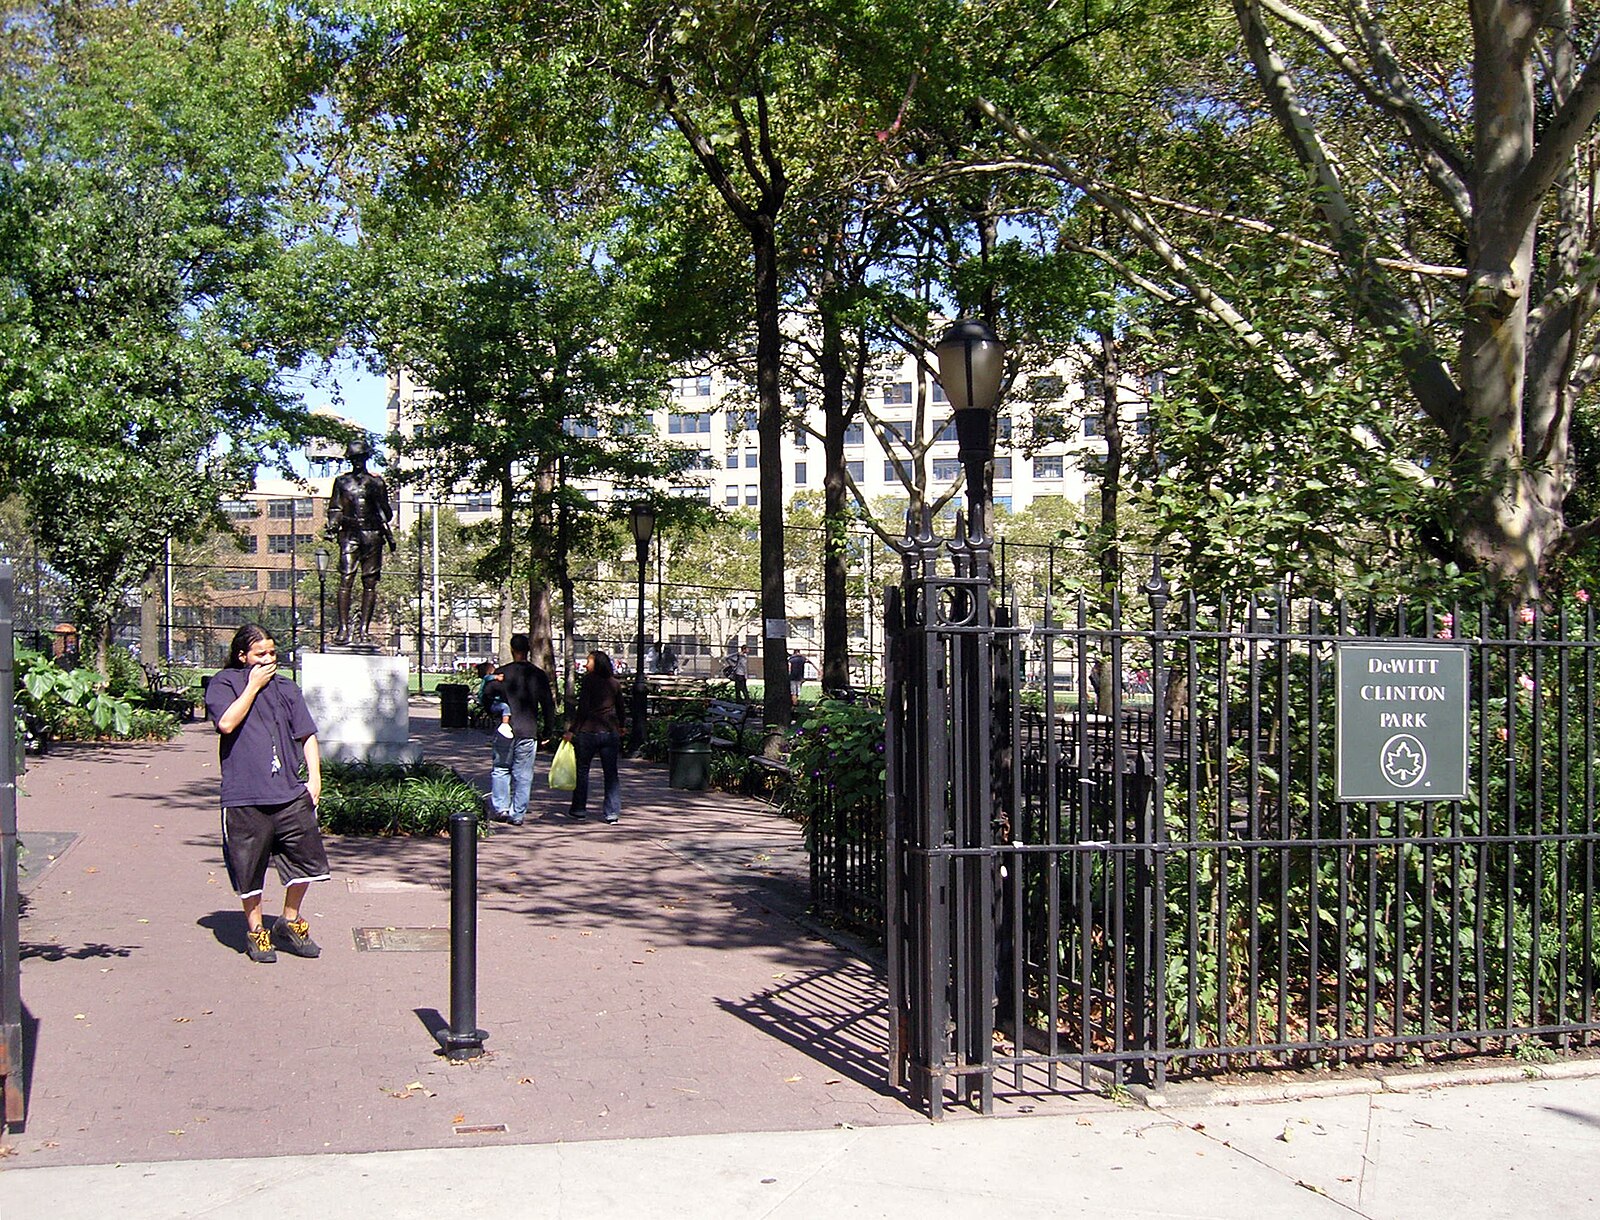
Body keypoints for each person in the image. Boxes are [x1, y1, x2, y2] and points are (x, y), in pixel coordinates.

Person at [205, 623, 330, 964]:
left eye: (273, 653)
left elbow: (307, 734)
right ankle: (256, 930)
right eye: (260, 654)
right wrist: (252, 687)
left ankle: (289, 920)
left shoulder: (287, 689)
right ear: (242, 656)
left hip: (288, 792)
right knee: (250, 868)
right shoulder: (224, 683)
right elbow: (227, 724)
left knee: (308, 862)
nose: (269, 660)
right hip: (245, 795)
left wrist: (314, 780)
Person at [480, 634, 558, 826]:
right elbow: (548, 705)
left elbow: (486, 694)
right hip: (528, 729)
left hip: (505, 728)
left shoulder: (502, 673)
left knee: (500, 768)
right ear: (528, 649)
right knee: (523, 774)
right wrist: (548, 730)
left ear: (512, 649)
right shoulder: (538, 675)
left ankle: (501, 808)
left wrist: (495, 711)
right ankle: (518, 813)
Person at [325, 436, 395, 645]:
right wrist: (332, 525)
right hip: (349, 535)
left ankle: (364, 630)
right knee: (346, 578)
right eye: (354, 458)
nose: (357, 462)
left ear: (366, 458)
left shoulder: (376, 482)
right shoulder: (341, 482)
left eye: (360, 457)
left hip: (372, 535)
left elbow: (387, 513)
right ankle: (343, 628)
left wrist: (379, 505)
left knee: (370, 582)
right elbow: (335, 508)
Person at [565, 650, 626, 824]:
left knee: (583, 770)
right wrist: (621, 726)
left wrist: (572, 730)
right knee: (611, 773)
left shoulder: (588, 682)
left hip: (589, 731)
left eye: (588, 661)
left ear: (597, 664)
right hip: (609, 731)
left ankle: (579, 808)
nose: (586, 664)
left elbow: (583, 708)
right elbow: (621, 707)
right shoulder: (614, 683)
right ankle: (612, 812)